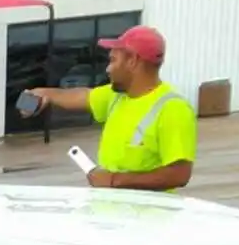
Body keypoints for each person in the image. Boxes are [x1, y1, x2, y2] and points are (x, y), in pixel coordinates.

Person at [24, 26, 197, 193]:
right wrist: (42, 93)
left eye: (113, 60)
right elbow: (81, 96)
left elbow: (179, 174)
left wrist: (114, 180)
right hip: (111, 214)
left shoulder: (173, 108)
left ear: (133, 61)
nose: (107, 69)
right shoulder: (117, 96)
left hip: (147, 220)